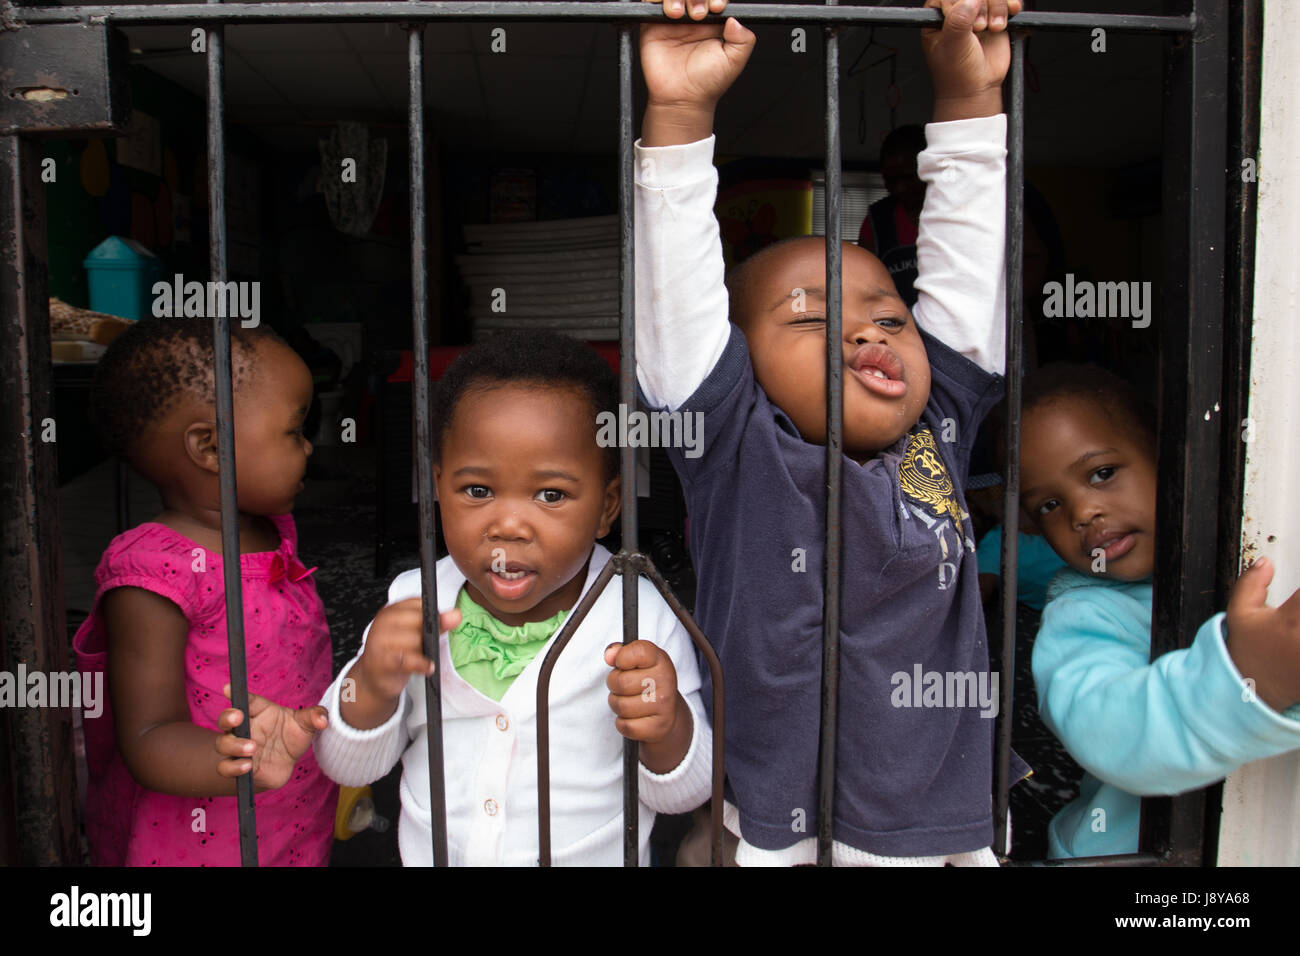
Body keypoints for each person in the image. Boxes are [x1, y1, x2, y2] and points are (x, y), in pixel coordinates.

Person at [636, 0, 1027, 865]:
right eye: (814, 320)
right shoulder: (733, 441)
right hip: (772, 820)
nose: (866, 331)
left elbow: (964, 268)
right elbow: (681, 300)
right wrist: (679, 113)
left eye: (889, 315)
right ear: (738, 362)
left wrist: (967, 95)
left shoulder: (940, 424)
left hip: (935, 822)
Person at [312, 331, 712, 865]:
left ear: (607, 507)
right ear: (436, 487)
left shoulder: (638, 616)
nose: (509, 525)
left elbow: (684, 794)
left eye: (551, 495)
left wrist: (667, 729)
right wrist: (371, 685)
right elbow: (350, 768)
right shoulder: (414, 601)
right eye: (477, 491)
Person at [74, 317, 337, 866]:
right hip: (197, 837)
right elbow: (147, 734)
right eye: (294, 429)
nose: (309, 447)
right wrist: (240, 757)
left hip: (288, 807)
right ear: (210, 447)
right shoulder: (153, 572)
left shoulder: (270, 532)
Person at [1016, 363, 1300, 858]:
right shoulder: (1083, 615)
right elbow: (1110, 733)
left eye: (1102, 473)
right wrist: (1250, 681)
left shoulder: (1241, 552)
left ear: (1170, 458)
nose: (1082, 513)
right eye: (1049, 505)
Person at [858, 124, 926, 308]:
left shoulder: (949, 215)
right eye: (891, 180)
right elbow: (862, 284)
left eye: (909, 177)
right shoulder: (876, 222)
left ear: (927, 169)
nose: (900, 188)